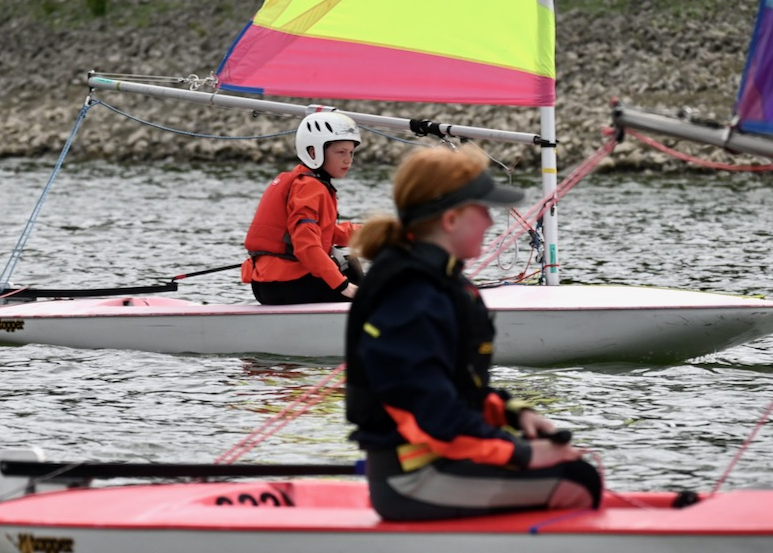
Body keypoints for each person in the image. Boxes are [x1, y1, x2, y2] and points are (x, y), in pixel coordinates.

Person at [345, 146, 603, 521]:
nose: (491, 221)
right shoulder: (410, 294)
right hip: (412, 479)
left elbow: (455, 389)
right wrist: (524, 454)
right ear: (451, 219)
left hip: (440, 461)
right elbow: (432, 417)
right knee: (578, 481)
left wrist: (515, 415)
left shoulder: (436, 282)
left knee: (569, 469)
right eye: (482, 210)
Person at [241, 112, 363, 305]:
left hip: (268, 285)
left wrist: (380, 233)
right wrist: (344, 286)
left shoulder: (304, 182)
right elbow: (306, 244)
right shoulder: (309, 187)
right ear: (313, 152)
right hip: (286, 285)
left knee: (349, 264)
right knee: (353, 272)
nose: (348, 160)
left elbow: (326, 232)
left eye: (351, 152)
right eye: (341, 152)